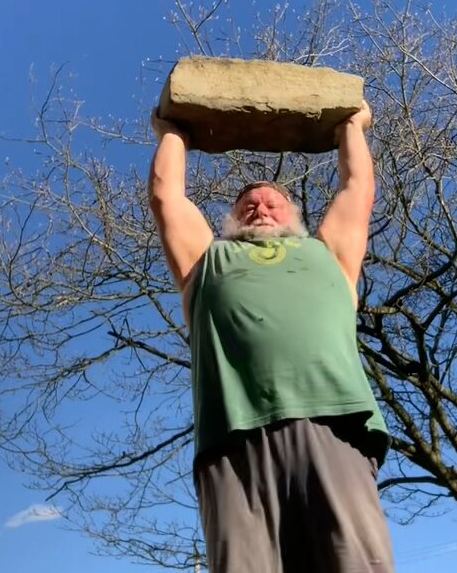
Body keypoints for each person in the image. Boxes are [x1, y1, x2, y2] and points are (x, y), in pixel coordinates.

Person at [149, 102, 393, 573]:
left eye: (272, 202)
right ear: (232, 221)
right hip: (233, 441)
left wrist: (352, 127)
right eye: (248, 205)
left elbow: (358, 188)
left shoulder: (330, 255)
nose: (259, 207)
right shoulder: (207, 263)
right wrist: (172, 130)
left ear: (294, 215)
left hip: (335, 427)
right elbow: (167, 198)